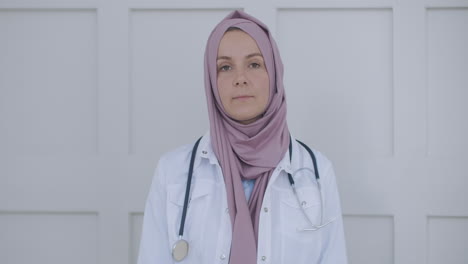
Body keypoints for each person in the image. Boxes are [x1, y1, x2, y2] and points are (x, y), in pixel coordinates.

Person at [137, 10, 348, 264]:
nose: (240, 79)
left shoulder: (317, 171)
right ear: (211, 81)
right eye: (225, 67)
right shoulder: (172, 172)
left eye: (254, 64)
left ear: (275, 74)